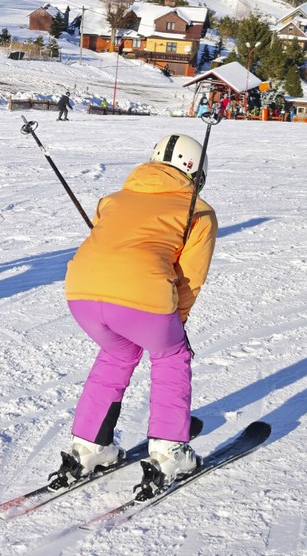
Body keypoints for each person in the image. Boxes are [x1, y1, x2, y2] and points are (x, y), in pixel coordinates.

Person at [52, 133, 218, 491]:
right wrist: (176, 324)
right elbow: (190, 278)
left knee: (117, 352)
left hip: (80, 293)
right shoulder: (197, 211)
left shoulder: (113, 199)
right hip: (142, 297)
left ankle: (89, 446)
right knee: (171, 355)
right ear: (196, 172)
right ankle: (169, 451)